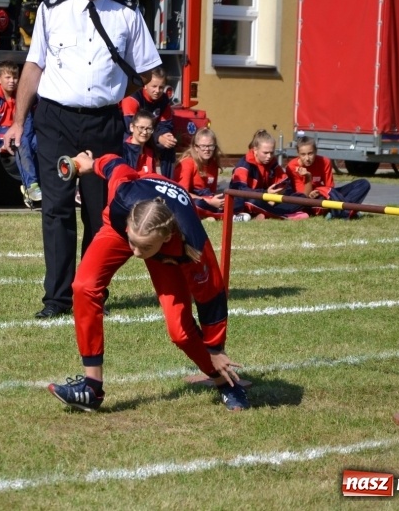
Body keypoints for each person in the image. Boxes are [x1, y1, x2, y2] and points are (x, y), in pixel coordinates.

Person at [2, 0, 162, 320]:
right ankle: (57, 299)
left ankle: (91, 293)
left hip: (103, 124)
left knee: (99, 212)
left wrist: (113, 92)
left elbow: (147, 71)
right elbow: (34, 65)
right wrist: (17, 122)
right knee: (56, 209)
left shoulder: (126, 13)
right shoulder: (52, 9)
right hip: (56, 120)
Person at [47, 152, 250, 412]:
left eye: (143, 248)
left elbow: (212, 297)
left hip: (166, 247)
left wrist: (215, 348)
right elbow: (113, 163)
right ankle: (92, 388)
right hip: (121, 227)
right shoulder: (122, 194)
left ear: (165, 239)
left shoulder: (191, 244)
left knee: (181, 332)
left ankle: (226, 384)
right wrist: (89, 164)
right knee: (83, 287)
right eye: (133, 245)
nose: (135, 253)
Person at [0, 60, 42, 205]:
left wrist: (25, 136)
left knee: (39, 143)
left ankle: (43, 185)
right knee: (22, 143)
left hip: (21, 132)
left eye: (15, 77)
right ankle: (31, 186)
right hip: (0, 134)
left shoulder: (22, 95)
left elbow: (28, 119)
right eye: (7, 77)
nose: (12, 81)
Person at [228, 129, 307, 220]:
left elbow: (286, 184)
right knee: (252, 201)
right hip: (247, 200)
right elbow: (240, 191)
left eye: (272, 153)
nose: (269, 156)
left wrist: (279, 193)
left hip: (268, 200)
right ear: (255, 150)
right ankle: (282, 214)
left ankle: (266, 213)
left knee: (300, 198)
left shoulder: (272, 163)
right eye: (265, 153)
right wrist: (266, 193)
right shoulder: (244, 165)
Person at [286, 135, 371, 219]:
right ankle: (346, 210)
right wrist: (308, 178)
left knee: (363, 184)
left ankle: (341, 211)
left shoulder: (325, 162)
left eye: (310, 153)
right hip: (311, 200)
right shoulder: (292, 166)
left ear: (316, 151)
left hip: (325, 194)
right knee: (317, 202)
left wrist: (320, 191)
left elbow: (330, 188)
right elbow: (304, 197)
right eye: (303, 154)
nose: (307, 158)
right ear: (298, 154)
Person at [121, 66, 177, 178]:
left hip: (149, 134)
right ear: (145, 85)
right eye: (154, 86)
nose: (157, 91)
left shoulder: (164, 100)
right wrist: (158, 137)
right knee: (133, 144)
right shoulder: (132, 97)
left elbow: (165, 124)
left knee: (169, 145)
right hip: (129, 134)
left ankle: (167, 182)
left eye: (161, 87)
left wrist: (166, 135)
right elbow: (130, 126)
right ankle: (131, 178)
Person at [173, 127, 230, 220]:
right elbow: (182, 193)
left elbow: (212, 192)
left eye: (210, 146)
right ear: (196, 147)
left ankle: (220, 213)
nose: (207, 149)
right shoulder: (187, 163)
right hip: (188, 201)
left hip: (206, 199)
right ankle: (222, 216)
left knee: (233, 201)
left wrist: (217, 201)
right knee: (197, 204)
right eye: (203, 146)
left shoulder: (213, 164)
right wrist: (210, 201)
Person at [122, 109, 156, 176]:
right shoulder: (124, 151)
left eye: (149, 129)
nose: (145, 132)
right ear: (132, 127)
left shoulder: (150, 153)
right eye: (141, 127)